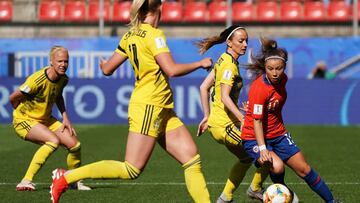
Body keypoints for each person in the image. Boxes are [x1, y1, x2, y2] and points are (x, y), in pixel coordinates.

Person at [49, 0, 212, 203]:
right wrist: (200, 63)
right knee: (131, 169)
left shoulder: (130, 34)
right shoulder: (155, 35)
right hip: (149, 106)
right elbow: (171, 70)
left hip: (162, 107)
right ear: (158, 8)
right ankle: (65, 178)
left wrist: (103, 66)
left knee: (191, 158)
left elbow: (108, 69)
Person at [241, 37, 339, 203]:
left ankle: (332, 201)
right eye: (270, 68)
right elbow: (257, 121)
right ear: (265, 67)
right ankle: (282, 196)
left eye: (278, 68)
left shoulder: (283, 79)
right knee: (277, 166)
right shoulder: (259, 88)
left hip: (278, 134)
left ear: (284, 67)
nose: (274, 72)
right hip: (254, 137)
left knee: (304, 169)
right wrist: (263, 148)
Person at [196, 26, 268, 203]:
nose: (244, 45)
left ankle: (225, 198)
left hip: (218, 123)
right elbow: (225, 97)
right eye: (240, 41)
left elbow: (204, 87)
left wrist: (207, 115)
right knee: (267, 154)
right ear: (229, 42)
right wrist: (242, 118)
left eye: (246, 41)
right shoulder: (229, 65)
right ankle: (255, 189)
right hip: (224, 126)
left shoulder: (223, 60)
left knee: (245, 158)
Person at [9, 46, 90, 191]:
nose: (63, 64)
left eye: (66, 61)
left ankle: (73, 181)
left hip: (46, 119)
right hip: (25, 120)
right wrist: (21, 115)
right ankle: (25, 180)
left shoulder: (63, 79)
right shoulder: (37, 80)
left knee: (75, 145)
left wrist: (65, 117)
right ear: (51, 61)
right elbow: (14, 97)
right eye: (59, 61)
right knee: (53, 141)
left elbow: (58, 96)